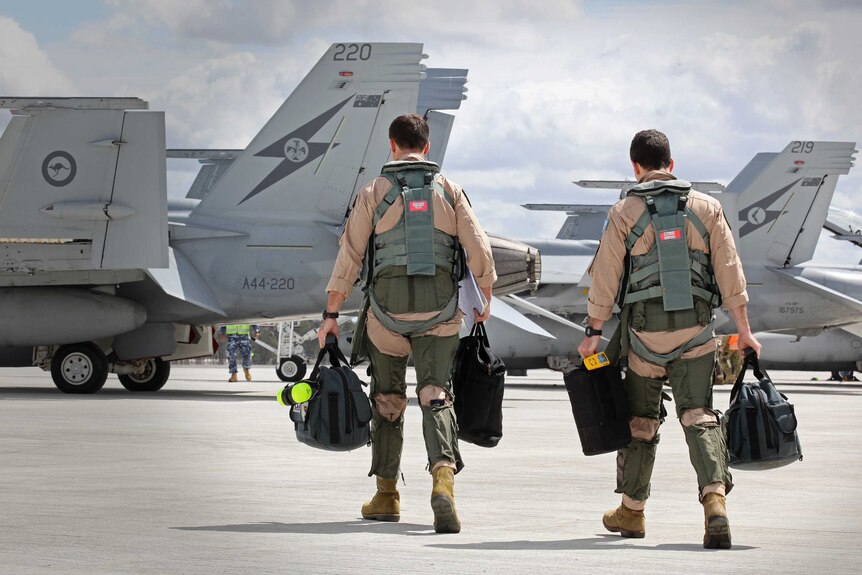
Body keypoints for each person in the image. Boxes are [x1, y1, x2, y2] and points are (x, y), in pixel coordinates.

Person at [577, 129, 762, 549]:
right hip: (697, 333)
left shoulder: (624, 210)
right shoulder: (708, 207)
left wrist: (592, 332)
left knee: (641, 423)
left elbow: (605, 278)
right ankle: (714, 502)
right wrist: (745, 330)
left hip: (644, 336)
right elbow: (730, 270)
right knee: (697, 415)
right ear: (672, 164)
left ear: (635, 167)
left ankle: (632, 512)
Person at [318, 114, 496, 534]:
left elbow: (349, 258)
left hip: (385, 316)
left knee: (387, 400)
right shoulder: (449, 191)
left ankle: (385, 495)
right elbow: (478, 249)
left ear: (392, 145)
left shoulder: (372, 192)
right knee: (436, 394)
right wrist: (484, 298)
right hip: (440, 314)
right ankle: (443, 484)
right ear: (427, 148)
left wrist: (330, 313)